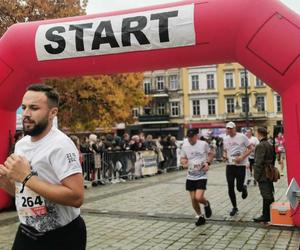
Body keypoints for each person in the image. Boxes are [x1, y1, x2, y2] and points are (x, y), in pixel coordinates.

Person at [0, 84, 86, 250]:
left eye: (34, 108)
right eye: (23, 107)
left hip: (61, 236)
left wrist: (26, 177)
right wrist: (6, 183)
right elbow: (24, 192)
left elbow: (76, 197)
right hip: (27, 232)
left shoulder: (61, 145)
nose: (25, 113)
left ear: (52, 113)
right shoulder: (21, 145)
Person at [180, 128, 214, 226]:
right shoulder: (185, 145)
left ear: (196, 136)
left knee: (198, 197)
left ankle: (206, 204)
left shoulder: (203, 144)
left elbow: (211, 154)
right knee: (193, 199)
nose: (190, 139)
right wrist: (183, 163)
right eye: (189, 137)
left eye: (192, 137)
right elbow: (183, 158)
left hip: (201, 174)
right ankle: (200, 216)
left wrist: (207, 163)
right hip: (190, 175)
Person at [223, 122, 252, 216]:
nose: (229, 130)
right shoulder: (225, 138)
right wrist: (224, 156)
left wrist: (242, 157)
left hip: (240, 166)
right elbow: (225, 151)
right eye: (228, 128)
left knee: (238, 187)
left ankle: (243, 188)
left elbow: (250, 148)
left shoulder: (242, 137)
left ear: (235, 128)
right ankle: (234, 207)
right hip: (230, 165)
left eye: (231, 128)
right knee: (230, 186)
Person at [253, 127, 275, 223]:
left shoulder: (260, 145)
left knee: (266, 194)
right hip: (269, 171)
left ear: (259, 134)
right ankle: (270, 213)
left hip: (263, 173)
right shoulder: (269, 144)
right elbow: (273, 158)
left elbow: (258, 162)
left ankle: (266, 216)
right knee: (269, 192)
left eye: (256, 133)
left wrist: (256, 176)